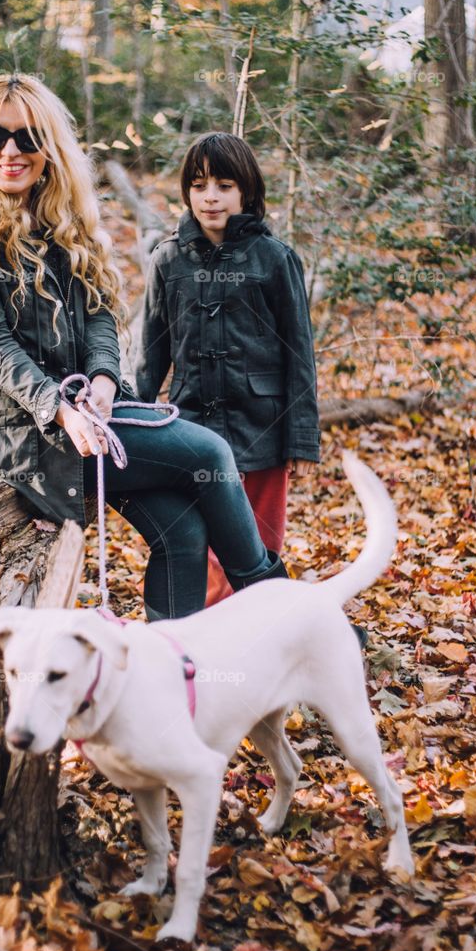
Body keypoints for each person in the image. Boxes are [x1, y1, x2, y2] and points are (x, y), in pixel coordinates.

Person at [0, 74, 287, 621]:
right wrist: (59, 407)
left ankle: (173, 672)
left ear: (51, 146)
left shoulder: (57, 215)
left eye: (29, 137)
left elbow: (98, 313)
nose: (11, 151)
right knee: (210, 453)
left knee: (183, 531)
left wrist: (103, 380)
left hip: (91, 412)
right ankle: (280, 612)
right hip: (23, 431)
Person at [134, 131, 320, 606]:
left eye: (223, 185)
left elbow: (299, 352)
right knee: (203, 547)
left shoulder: (275, 259)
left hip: (262, 430)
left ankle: (262, 640)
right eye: (199, 186)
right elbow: (150, 355)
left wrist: (301, 439)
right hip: (191, 430)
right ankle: (209, 649)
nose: (210, 197)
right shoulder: (168, 259)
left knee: (257, 546)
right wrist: (130, 422)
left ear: (246, 191)